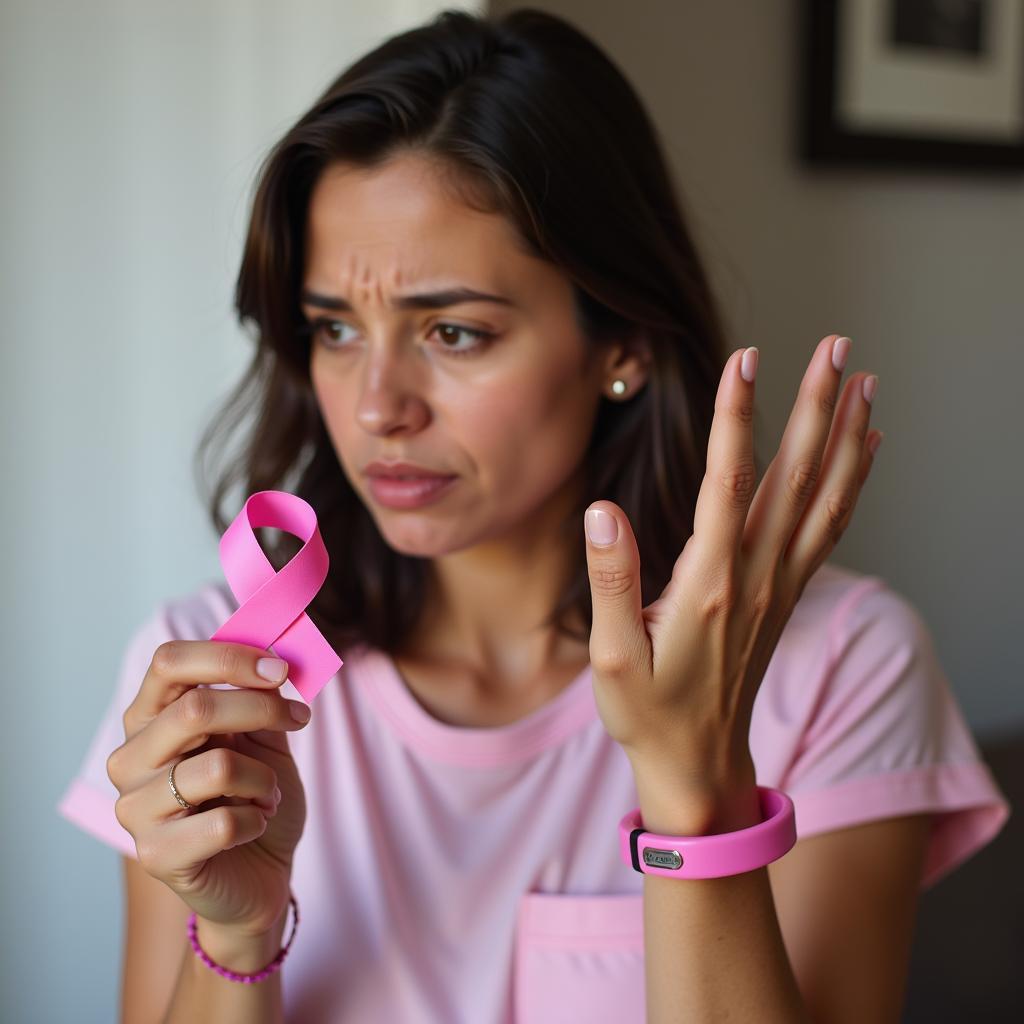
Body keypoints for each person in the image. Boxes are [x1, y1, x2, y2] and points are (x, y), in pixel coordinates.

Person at [56, 8, 1010, 1023]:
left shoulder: (842, 667)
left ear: (623, 346)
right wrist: (240, 939)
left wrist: (696, 794)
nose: (378, 404)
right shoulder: (209, 682)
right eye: (333, 326)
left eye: (454, 330)